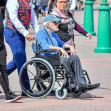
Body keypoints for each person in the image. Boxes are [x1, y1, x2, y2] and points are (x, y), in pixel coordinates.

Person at [36, 14, 100, 93]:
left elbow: (62, 43)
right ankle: (72, 85)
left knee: (74, 57)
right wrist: (59, 49)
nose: (57, 25)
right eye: (55, 23)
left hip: (56, 56)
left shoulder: (54, 34)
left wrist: (70, 47)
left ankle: (82, 84)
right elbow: (44, 46)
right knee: (65, 59)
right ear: (48, 24)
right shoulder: (41, 32)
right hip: (48, 58)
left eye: (57, 23)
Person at [4, 0, 39, 96]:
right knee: (21, 59)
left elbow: (33, 19)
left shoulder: (29, 2)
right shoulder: (13, 1)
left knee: (18, 60)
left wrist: (39, 33)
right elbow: (14, 18)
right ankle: (26, 88)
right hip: (12, 33)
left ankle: (1, 77)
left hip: (20, 34)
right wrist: (26, 32)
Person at [0, 10, 21, 103]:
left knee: (4, 70)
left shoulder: (0, 13)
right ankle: (8, 94)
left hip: (1, 46)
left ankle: (8, 94)